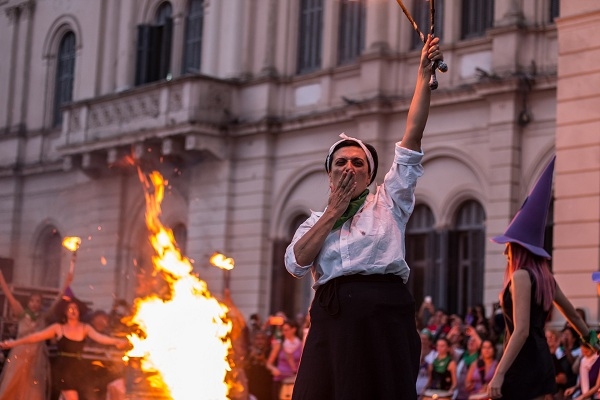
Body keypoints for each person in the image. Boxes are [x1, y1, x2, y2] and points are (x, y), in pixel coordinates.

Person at [284, 35, 443, 400]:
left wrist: (422, 78)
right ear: (329, 173)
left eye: (358, 163)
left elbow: (411, 138)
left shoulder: (388, 202)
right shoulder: (313, 222)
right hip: (333, 321)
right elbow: (296, 262)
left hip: (382, 319)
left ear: (369, 176)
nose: (349, 167)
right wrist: (334, 213)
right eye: (341, 162)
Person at [487, 157, 598, 400]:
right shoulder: (545, 277)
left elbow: (521, 330)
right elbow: (574, 315)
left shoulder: (521, 276)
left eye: (510, 245)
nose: (505, 250)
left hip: (523, 364)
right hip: (539, 362)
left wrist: (499, 373)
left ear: (519, 248)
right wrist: (593, 341)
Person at [0, 293, 128, 400]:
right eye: (70, 309)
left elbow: (101, 338)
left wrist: (116, 341)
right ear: (65, 313)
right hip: (63, 369)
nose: (73, 311)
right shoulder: (58, 328)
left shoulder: (85, 328)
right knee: (71, 397)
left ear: (79, 312)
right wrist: (13, 343)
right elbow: (35, 337)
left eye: (75, 309)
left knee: (86, 396)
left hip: (78, 368)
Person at [0, 270, 73, 400]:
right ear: (28, 302)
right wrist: (1, 278)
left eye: (38, 301)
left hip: (37, 357)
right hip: (19, 356)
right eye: (32, 301)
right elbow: (9, 295)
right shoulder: (21, 314)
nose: (35, 304)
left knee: (34, 388)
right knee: (13, 386)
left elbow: (57, 301)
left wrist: (66, 283)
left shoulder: (43, 318)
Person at [266, 320, 302, 400]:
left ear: (294, 329)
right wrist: (273, 369)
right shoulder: (279, 345)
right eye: (283, 330)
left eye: (286, 330)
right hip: (280, 380)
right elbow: (269, 363)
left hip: (295, 380)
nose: (284, 332)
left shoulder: (301, 344)